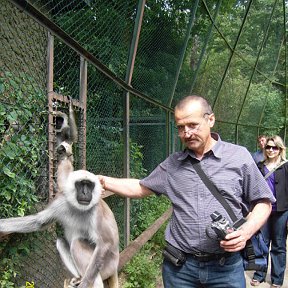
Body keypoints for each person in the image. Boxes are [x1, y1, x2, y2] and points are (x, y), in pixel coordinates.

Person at [99, 95, 275, 288]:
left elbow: (263, 202)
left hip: (226, 268)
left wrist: (245, 232)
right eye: (180, 127)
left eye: (192, 125)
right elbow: (140, 187)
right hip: (180, 269)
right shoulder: (173, 164)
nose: (186, 133)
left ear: (210, 120)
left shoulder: (238, 157)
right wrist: (103, 181)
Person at [250, 135, 288, 288]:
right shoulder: (259, 166)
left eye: (275, 147)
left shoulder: (286, 166)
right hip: (262, 210)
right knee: (261, 243)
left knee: (279, 245)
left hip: (281, 211)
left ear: (280, 150)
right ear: (264, 149)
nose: (271, 150)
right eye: (268, 147)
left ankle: (277, 279)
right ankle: (259, 275)